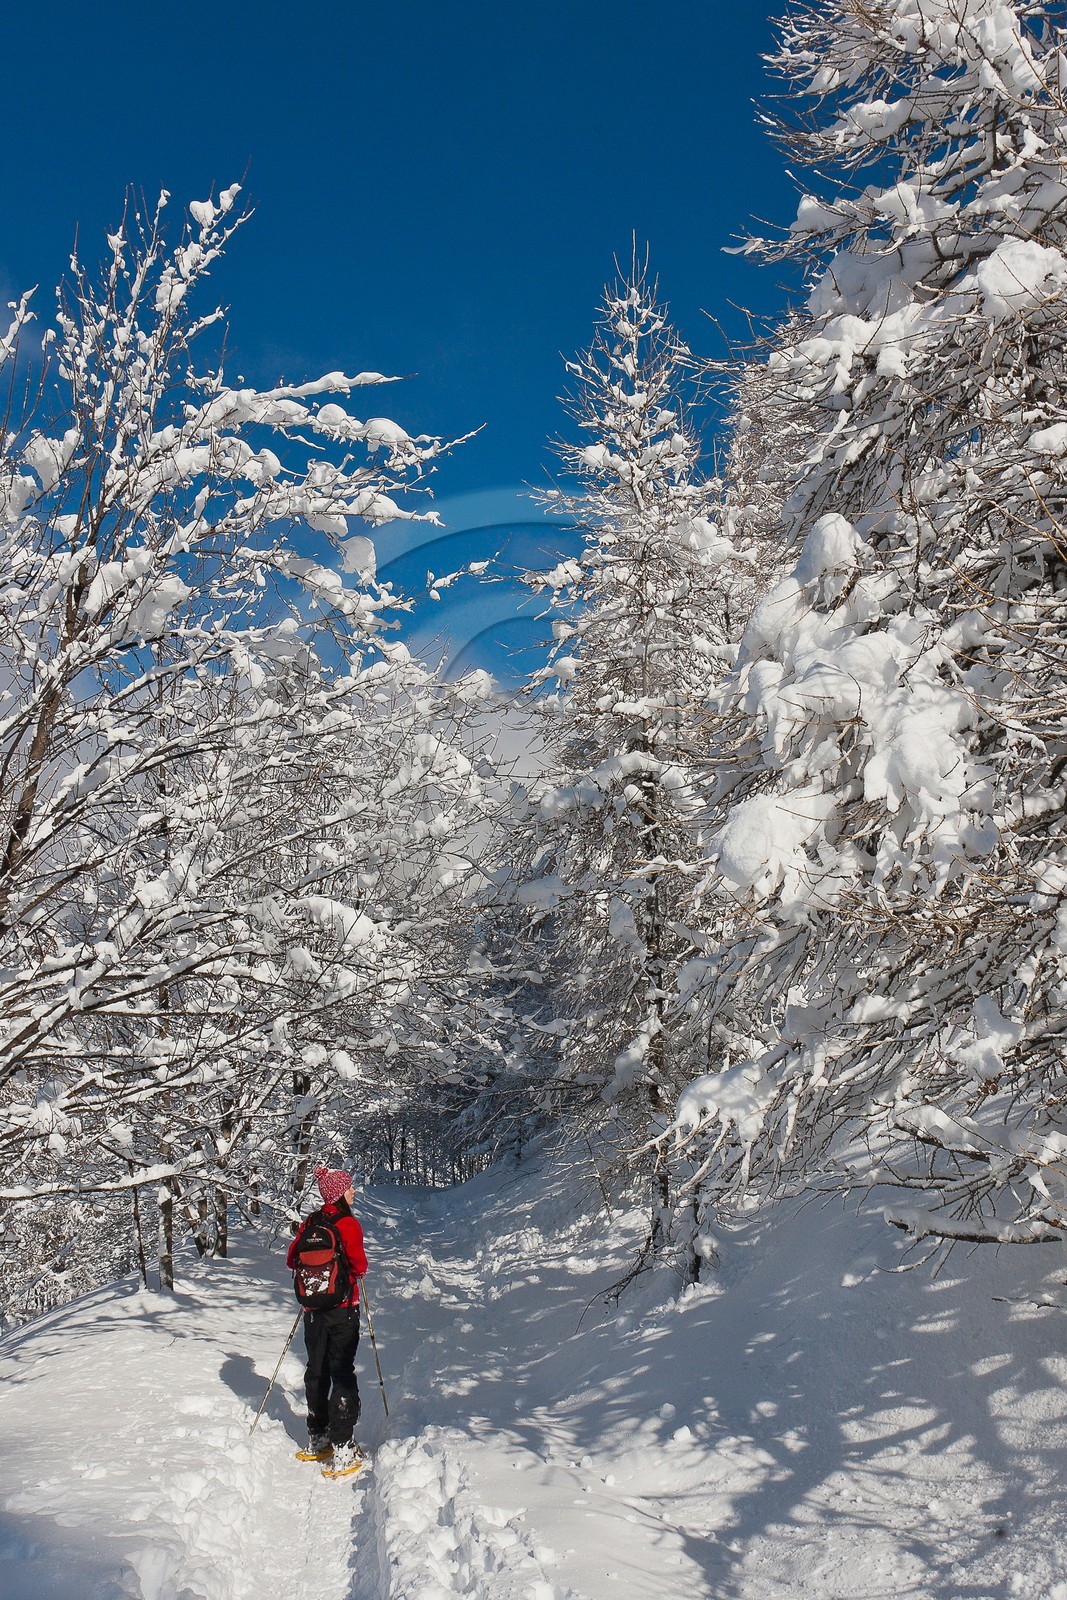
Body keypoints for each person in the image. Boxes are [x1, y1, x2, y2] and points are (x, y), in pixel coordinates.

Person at [287, 1165, 368, 1477]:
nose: (354, 1191)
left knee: (316, 1370)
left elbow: (292, 1258)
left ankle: (317, 1437)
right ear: (339, 1193)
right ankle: (344, 1447)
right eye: (350, 1187)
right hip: (343, 1308)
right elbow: (359, 1263)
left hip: (312, 1311)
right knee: (342, 1371)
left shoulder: (311, 1221)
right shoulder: (347, 1223)